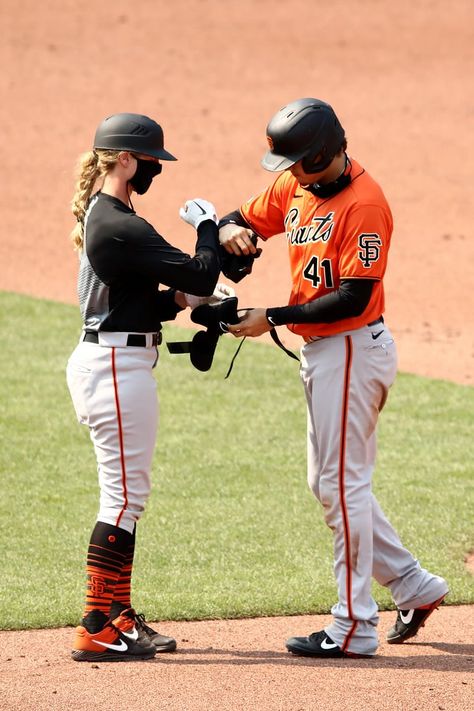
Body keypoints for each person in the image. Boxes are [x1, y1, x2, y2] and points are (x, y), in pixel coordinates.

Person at [218, 98, 448, 658]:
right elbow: (241, 217)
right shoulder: (297, 187)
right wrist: (232, 233)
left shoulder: (364, 205)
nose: (289, 172)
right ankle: (413, 586)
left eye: (296, 161)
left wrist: (270, 317)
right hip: (324, 354)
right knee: (329, 486)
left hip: (350, 348)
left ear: (322, 154)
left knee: (344, 487)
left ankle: (353, 626)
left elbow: (355, 295)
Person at [67, 112, 229, 662]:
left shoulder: (110, 214)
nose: (157, 169)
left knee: (127, 499)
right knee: (123, 499)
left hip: (112, 357)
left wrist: (180, 303)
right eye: (153, 160)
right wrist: (207, 226)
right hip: (115, 369)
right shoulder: (118, 223)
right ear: (127, 159)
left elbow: (136, 303)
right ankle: (95, 623)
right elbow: (202, 272)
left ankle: (118, 615)